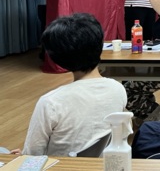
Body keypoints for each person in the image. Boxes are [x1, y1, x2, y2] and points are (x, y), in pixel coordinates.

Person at [9, 14, 126, 156]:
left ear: (57, 58)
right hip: (101, 164)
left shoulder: (51, 103)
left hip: (59, 165)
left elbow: (33, 154)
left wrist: (22, 155)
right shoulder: (118, 89)